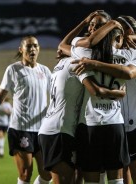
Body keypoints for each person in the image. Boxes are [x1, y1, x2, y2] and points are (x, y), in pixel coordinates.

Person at [38, 11, 125, 184]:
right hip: (61, 129)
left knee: (72, 178)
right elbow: (95, 89)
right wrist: (119, 93)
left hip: (63, 128)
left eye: (98, 26)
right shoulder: (81, 56)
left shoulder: (74, 53)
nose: (92, 28)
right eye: (91, 25)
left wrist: (84, 22)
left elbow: (63, 44)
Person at [73, 16, 136, 184]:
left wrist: (94, 64)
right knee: (122, 177)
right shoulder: (112, 53)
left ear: (127, 33)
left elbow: (128, 73)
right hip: (118, 122)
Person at [0, 36, 52, 184]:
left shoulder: (45, 71)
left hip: (42, 130)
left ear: (39, 48)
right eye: (28, 46)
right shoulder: (14, 70)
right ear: (21, 49)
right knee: (25, 174)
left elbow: (56, 97)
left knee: (47, 173)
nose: (32, 49)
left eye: (35, 46)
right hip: (21, 128)